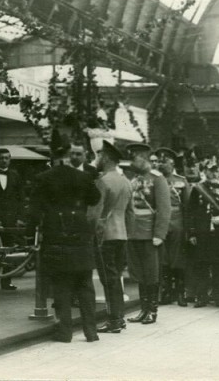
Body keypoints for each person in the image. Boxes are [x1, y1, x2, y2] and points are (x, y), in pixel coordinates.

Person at [32, 147, 101, 343]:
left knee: (61, 285)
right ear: (69, 158)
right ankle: (91, 331)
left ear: (53, 158)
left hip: (56, 237)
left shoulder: (43, 178)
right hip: (81, 237)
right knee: (85, 286)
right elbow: (95, 198)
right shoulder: (83, 177)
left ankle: (65, 332)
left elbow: (35, 211)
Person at [126, 143, 171, 325]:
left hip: (150, 234)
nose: (132, 161)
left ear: (144, 158)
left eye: (135, 157)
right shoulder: (134, 179)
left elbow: (164, 208)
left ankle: (152, 310)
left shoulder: (157, 179)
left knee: (152, 274)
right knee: (139, 273)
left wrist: (159, 233)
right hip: (134, 233)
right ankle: (143, 310)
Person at [91, 141, 134, 334]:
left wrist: (94, 235)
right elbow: (130, 213)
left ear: (106, 158)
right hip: (121, 234)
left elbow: (96, 214)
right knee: (116, 277)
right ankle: (119, 317)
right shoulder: (125, 181)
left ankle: (114, 319)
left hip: (105, 236)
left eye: (99, 156)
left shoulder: (103, 181)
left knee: (108, 279)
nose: (97, 160)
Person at [188, 159, 219, 308]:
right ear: (204, 171)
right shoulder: (198, 189)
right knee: (201, 264)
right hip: (202, 232)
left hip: (218, 233)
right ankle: (202, 296)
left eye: (215, 169)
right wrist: (192, 233)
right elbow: (191, 212)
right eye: (209, 169)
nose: (213, 172)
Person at [0, 147, 25, 291]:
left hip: (10, 219)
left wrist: (20, 218)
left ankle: (6, 282)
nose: (4, 160)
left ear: (10, 159)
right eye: (1, 158)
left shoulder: (15, 176)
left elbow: (21, 199)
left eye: (7, 158)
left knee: (8, 249)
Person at [155, 147, 190, 307]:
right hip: (160, 222)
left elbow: (187, 205)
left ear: (172, 162)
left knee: (178, 258)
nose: (162, 164)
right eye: (160, 161)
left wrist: (188, 228)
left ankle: (181, 292)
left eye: (165, 161)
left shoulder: (181, 180)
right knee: (163, 258)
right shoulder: (155, 179)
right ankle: (166, 291)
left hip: (177, 222)